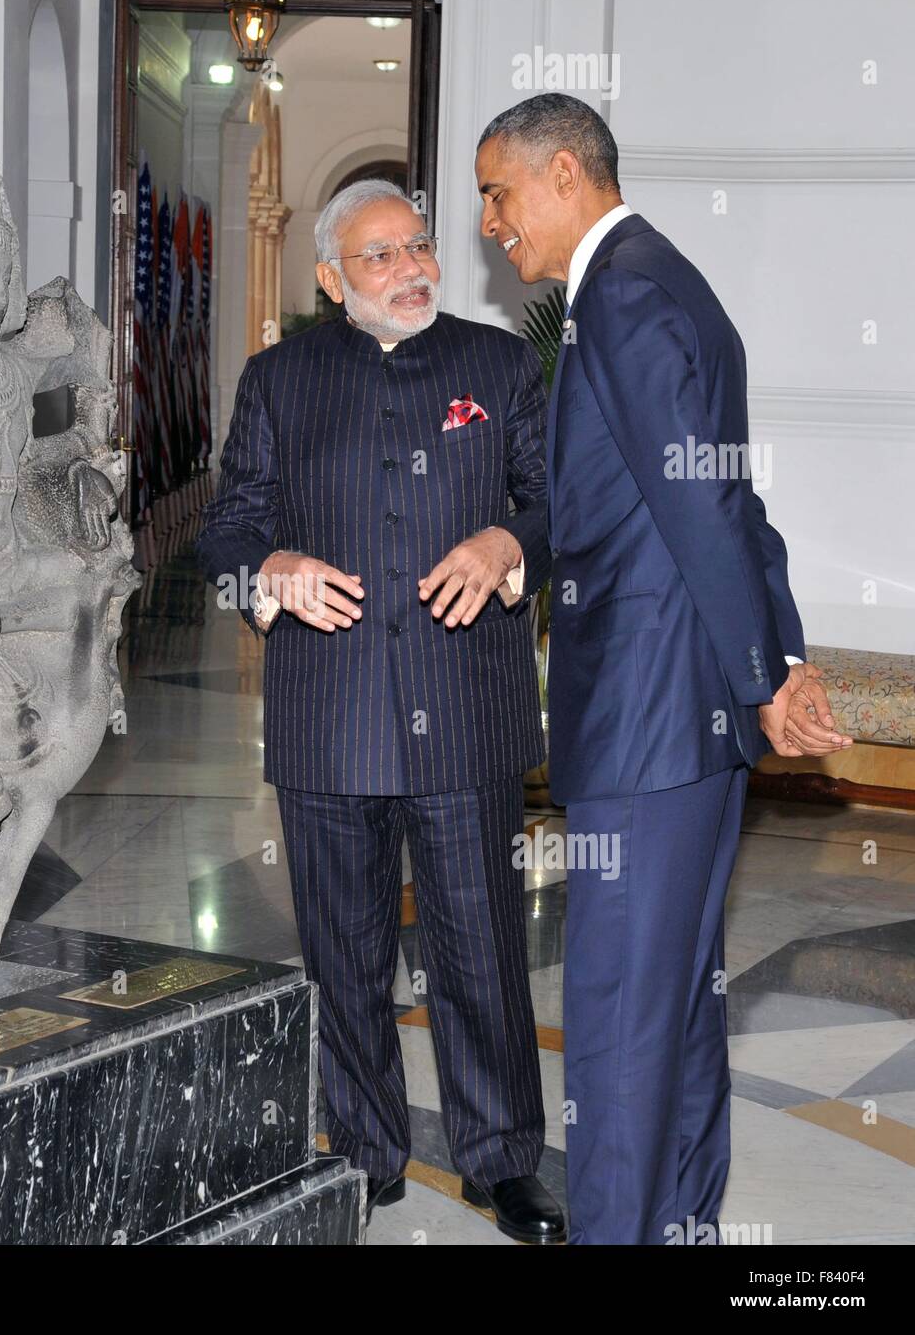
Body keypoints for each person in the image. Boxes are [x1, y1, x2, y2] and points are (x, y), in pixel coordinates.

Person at [476, 92, 849, 1244]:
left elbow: (700, 507)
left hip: (646, 713)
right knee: (677, 1001)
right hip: (686, 715)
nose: (492, 223)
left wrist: (764, 676)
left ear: (564, 175)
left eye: (498, 193)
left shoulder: (624, 294)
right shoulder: (670, 281)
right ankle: (680, 1224)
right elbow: (734, 499)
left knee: (619, 1019)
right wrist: (774, 653)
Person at [196, 179, 566, 1242]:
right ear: (329, 278)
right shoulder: (277, 380)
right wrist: (270, 566)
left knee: (479, 945)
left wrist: (509, 546)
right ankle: (365, 1148)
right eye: (377, 256)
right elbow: (225, 530)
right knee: (344, 949)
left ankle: (501, 1160)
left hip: (466, 708)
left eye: (417, 247)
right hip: (331, 711)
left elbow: (556, 506)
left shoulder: (498, 367)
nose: (409, 270)